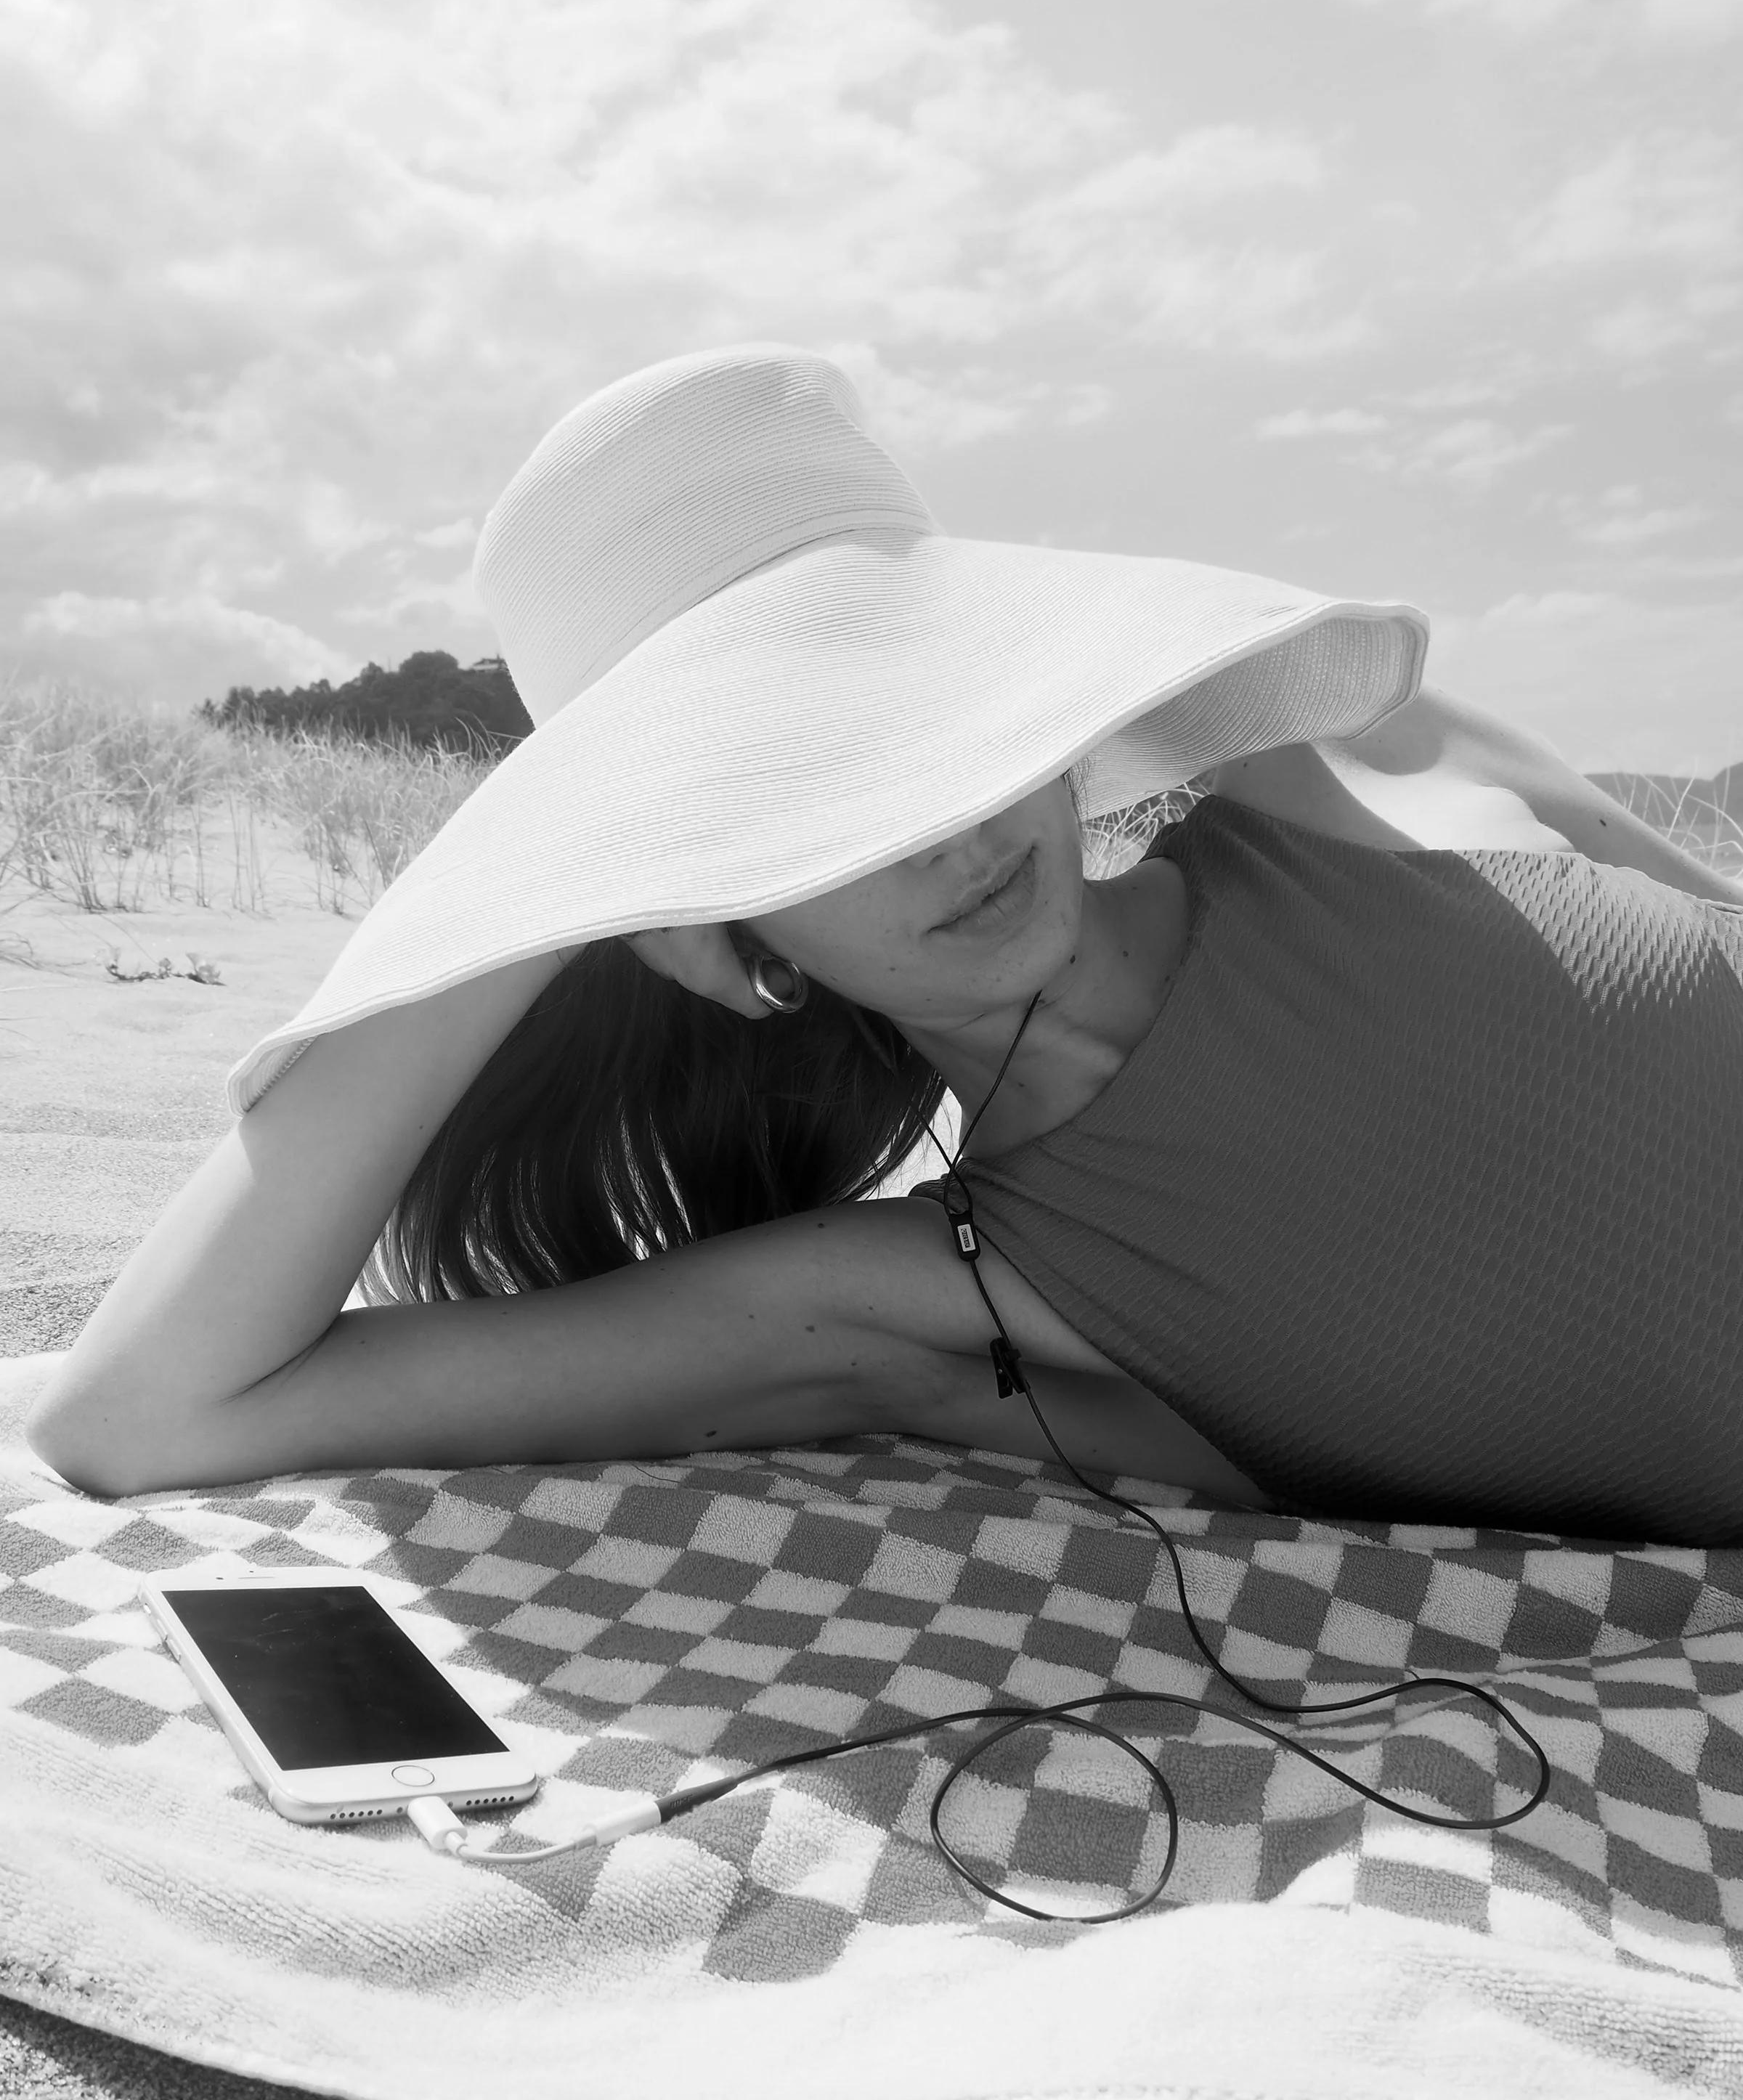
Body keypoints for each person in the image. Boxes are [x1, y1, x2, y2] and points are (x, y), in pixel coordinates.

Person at [26, 347, 1743, 1547]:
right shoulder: (941, 1303)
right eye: (814, 790)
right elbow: (151, 1413)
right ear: (712, 924)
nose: (954, 823)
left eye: (949, 711)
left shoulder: (1339, 774)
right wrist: (553, 889)